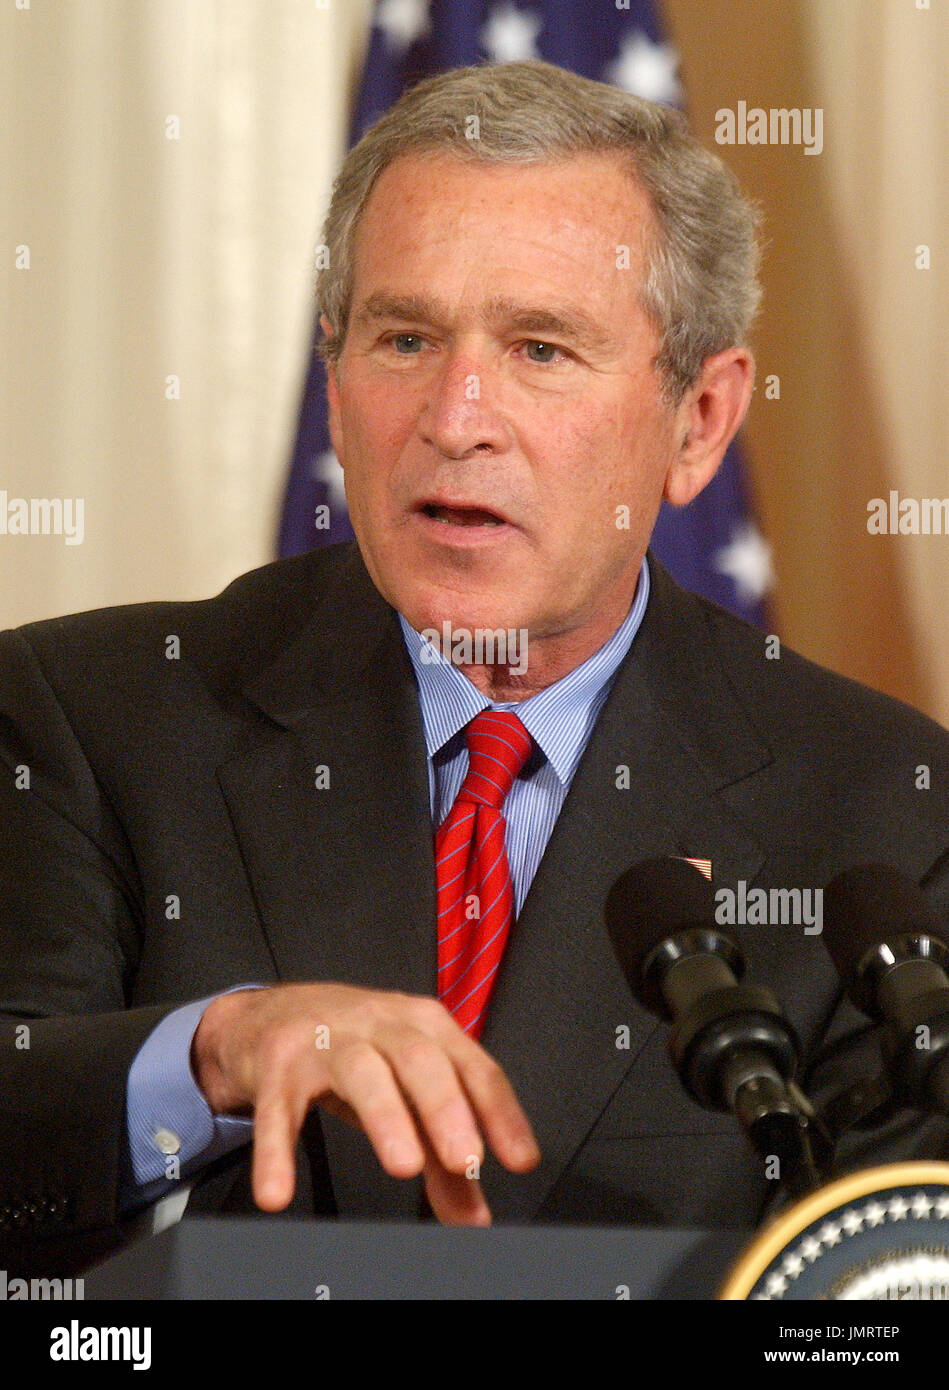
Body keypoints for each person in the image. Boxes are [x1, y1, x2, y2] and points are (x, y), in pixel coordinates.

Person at [2, 60, 947, 1278]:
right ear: (332, 389)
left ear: (700, 419)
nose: (456, 415)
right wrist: (207, 1053)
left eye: (541, 349)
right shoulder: (94, 718)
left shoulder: (884, 809)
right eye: (403, 338)